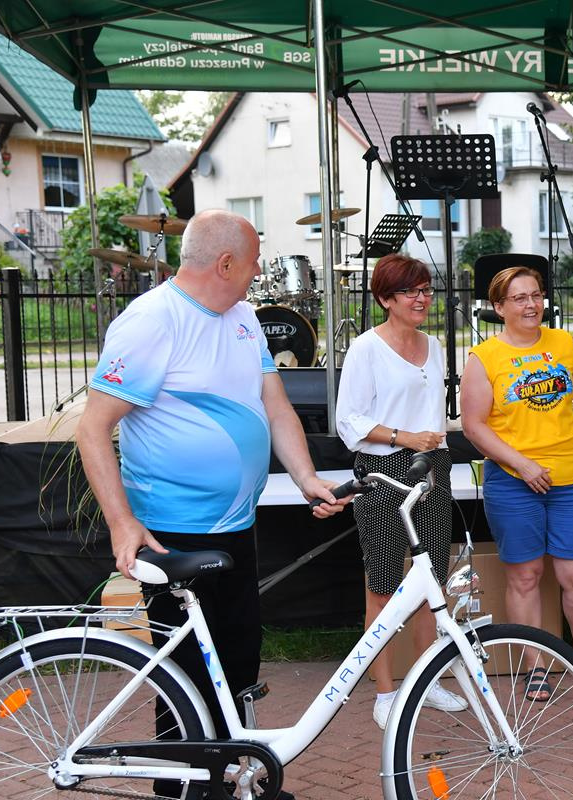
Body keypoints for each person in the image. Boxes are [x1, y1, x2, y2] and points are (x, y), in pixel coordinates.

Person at [77, 209, 348, 797]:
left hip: (236, 526)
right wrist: (122, 523)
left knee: (238, 661)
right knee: (188, 675)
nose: (259, 274)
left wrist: (306, 477)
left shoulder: (244, 316)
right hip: (174, 530)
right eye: (254, 263)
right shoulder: (152, 321)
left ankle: (229, 776)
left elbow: (275, 406)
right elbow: (92, 428)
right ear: (226, 263)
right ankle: (183, 787)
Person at [460, 266, 573, 698]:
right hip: (514, 483)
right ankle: (535, 665)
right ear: (499, 307)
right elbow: (473, 425)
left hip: (571, 480)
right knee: (525, 576)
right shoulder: (484, 358)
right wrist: (523, 465)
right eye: (519, 298)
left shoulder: (564, 344)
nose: (531, 305)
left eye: (536, 295)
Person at [335, 253, 467, 729]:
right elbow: (348, 420)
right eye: (411, 291)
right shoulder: (366, 348)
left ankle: (426, 683)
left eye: (426, 289)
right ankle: (385, 692)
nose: (422, 298)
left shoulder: (434, 344)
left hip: (432, 468)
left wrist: (428, 445)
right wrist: (404, 437)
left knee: (431, 581)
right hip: (384, 469)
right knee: (383, 583)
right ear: (385, 299)